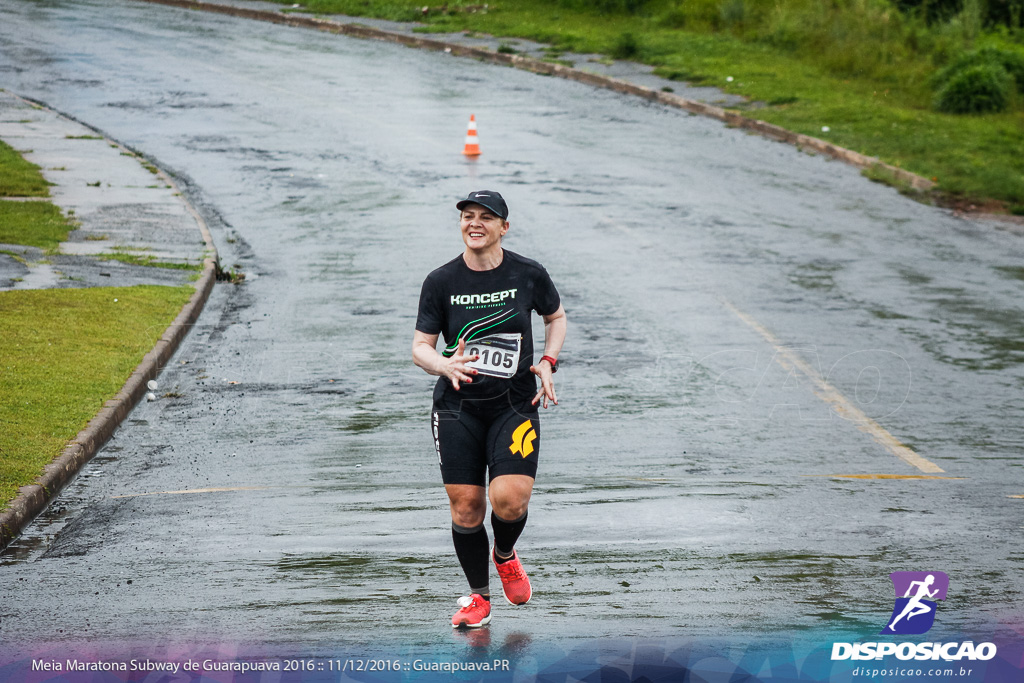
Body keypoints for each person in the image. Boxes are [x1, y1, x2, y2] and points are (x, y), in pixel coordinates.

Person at [412, 190, 567, 629]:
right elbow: (419, 348)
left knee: (510, 502)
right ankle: (478, 598)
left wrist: (548, 362)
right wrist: (443, 364)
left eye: (485, 217)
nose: (474, 223)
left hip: (513, 404)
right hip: (457, 407)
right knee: (467, 508)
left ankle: (504, 555)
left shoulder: (528, 274)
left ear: (504, 227)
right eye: (467, 216)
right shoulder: (441, 281)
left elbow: (555, 317)